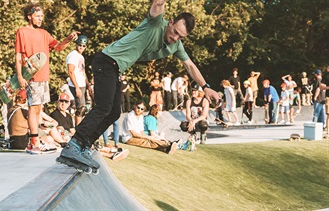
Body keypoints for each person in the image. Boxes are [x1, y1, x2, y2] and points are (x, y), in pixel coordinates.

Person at [58, 0, 220, 168]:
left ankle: (85, 145)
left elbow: (190, 66)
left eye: (180, 37)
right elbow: (158, 4)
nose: (175, 38)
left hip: (115, 68)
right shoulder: (156, 23)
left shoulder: (176, 46)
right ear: (170, 22)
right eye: (175, 32)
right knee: (104, 107)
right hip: (106, 61)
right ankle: (75, 144)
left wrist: (206, 88)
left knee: (114, 113)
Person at [15, 3, 79, 154]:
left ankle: (35, 141)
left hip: (44, 77)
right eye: (38, 16)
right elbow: (18, 55)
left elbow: (58, 47)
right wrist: (19, 76)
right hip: (31, 76)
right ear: (29, 17)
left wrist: (68, 39)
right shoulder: (22, 32)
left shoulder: (44, 33)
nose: (40, 19)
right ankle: (34, 143)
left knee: (39, 109)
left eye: (42, 17)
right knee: (33, 108)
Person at [66, 35, 92, 126]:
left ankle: (80, 130)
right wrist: (76, 88)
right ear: (76, 44)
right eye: (80, 45)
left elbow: (83, 72)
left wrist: (88, 85)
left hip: (82, 84)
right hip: (75, 85)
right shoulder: (73, 55)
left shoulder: (81, 57)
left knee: (83, 108)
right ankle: (78, 133)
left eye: (83, 46)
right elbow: (70, 72)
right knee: (81, 108)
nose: (81, 47)